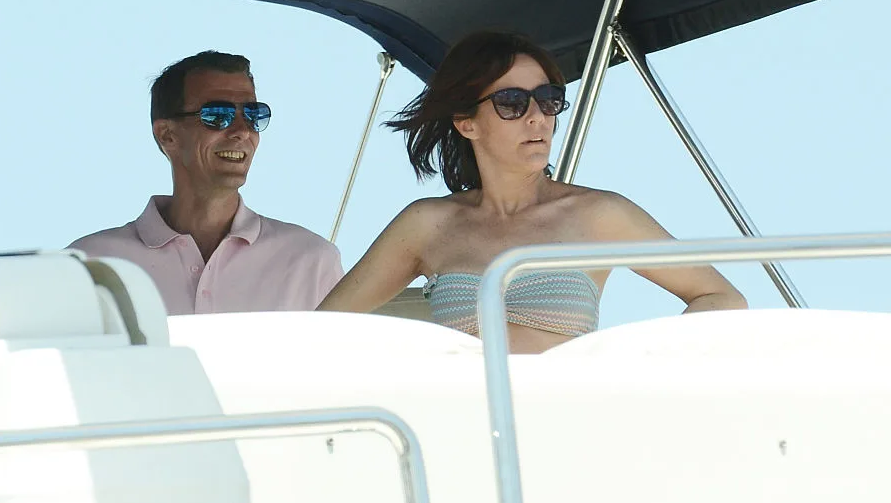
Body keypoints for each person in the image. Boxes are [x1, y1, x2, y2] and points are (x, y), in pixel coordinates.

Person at [317, 30, 747, 353]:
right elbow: (318, 330)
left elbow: (722, 297)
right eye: (511, 102)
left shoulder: (598, 213)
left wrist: (634, 369)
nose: (537, 117)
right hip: (463, 426)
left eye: (548, 99)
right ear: (466, 122)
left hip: (567, 426)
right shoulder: (427, 223)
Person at [69, 50, 343, 314]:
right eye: (217, 115)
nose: (241, 132)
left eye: (253, 115)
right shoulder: (90, 265)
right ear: (167, 135)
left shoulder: (313, 261)